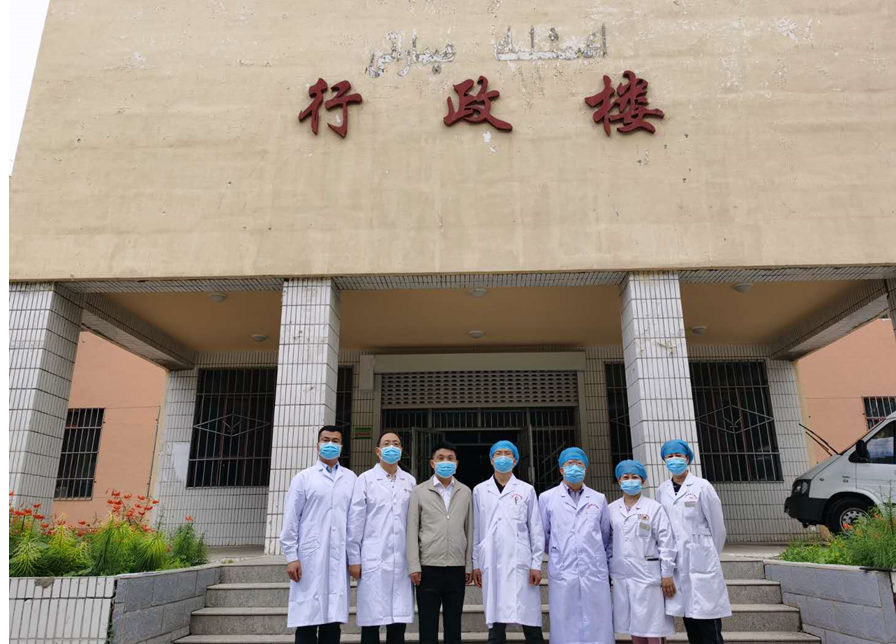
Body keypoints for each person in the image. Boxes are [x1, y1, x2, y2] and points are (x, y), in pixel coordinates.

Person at [281, 426, 357, 644]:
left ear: (341, 447)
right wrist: (291, 557)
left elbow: (354, 522)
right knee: (306, 621)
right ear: (317, 445)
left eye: (335, 440)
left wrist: (354, 558)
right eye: (326, 440)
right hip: (309, 558)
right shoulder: (304, 478)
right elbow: (291, 519)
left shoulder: (350, 478)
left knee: (332, 623)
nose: (330, 444)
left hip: (338, 558)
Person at [657, 439, 732, 644]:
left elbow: (718, 527)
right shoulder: (662, 490)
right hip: (678, 563)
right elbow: (664, 527)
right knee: (690, 622)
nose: (674, 460)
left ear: (687, 458)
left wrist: (709, 554)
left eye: (678, 456)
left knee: (709, 626)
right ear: (664, 460)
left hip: (703, 559)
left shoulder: (702, 486)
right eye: (670, 456)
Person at [471, 440, 545, 644]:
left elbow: (536, 529)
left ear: (515, 460)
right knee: (496, 624)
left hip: (521, 562)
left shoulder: (526, 490)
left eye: (507, 454)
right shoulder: (480, 490)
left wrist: (536, 564)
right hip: (491, 560)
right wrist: (476, 563)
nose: (502, 458)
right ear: (491, 460)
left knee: (530, 622)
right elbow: (477, 529)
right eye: (498, 454)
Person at [538, 447, 614, 644]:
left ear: (585, 468)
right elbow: (544, 535)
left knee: (597, 620)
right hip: (563, 568)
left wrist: (589, 550)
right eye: (569, 464)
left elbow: (604, 534)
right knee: (565, 620)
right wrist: (560, 551)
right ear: (561, 469)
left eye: (579, 464)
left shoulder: (598, 498)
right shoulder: (547, 498)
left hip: (593, 568)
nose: (575, 467)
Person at [347, 433, 417, 644]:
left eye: (396, 444)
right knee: (371, 621)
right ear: (378, 451)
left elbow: (414, 522)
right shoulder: (365, 479)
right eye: (386, 444)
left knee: (398, 624)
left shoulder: (410, 481)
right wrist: (354, 558)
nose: (391, 447)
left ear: (401, 450)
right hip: (373, 560)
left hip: (401, 560)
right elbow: (355, 522)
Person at [406, 441, 474, 644]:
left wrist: (468, 564)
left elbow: (469, 529)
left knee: (454, 625)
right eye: (441, 458)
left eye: (450, 458)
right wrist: (414, 565)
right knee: (428, 626)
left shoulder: (465, 492)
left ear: (457, 463)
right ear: (432, 463)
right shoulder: (419, 491)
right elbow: (412, 529)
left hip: (456, 567)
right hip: (428, 567)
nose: (446, 462)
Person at [608, 459, 677, 644]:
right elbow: (608, 543)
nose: (630, 481)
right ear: (619, 480)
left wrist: (667, 573)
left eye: (635, 477)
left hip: (648, 578)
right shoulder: (611, 509)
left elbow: (666, 542)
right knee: (634, 628)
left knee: (653, 630)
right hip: (623, 576)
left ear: (643, 481)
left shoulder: (654, 508)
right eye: (625, 477)